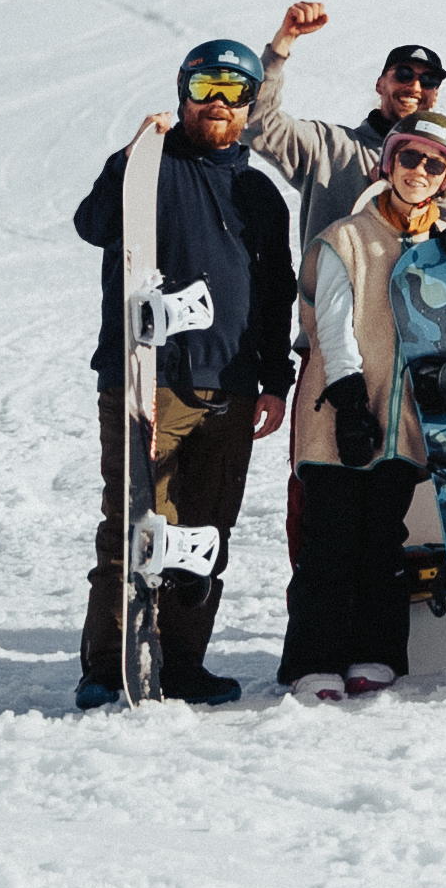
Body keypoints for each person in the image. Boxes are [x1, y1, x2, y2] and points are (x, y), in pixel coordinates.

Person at [68, 40, 297, 709]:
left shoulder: (259, 193)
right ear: (183, 93)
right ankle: (109, 665)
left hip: (229, 385)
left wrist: (274, 380)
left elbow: (275, 291)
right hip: (148, 380)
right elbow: (94, 225)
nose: (218, 104)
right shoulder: (150, 166)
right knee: (133, 524)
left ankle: (183, 660)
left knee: (204, 530)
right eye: (205, 89)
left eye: (233, 91)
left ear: (251, 103)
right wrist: (131, 157)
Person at [278, 112, 446, 702]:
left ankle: (374, 652)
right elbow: (332, 324)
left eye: (434, 164)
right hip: (340, 412)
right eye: (410, 158)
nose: (419, 171)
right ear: (389, 162)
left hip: (403, 423)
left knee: (381, 541)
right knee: (330, 540)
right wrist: (348, 402)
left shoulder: (440, 247)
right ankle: (315, 660)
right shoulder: (347, 237)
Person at [250, 8, 446, 256]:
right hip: (337, 290)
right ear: (380, 84)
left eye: (429, 80)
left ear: (436, 94)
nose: (415, 86)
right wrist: (281, 46)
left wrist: (433, 184)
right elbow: (255, 122)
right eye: (404, 74)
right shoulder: (328, 147)